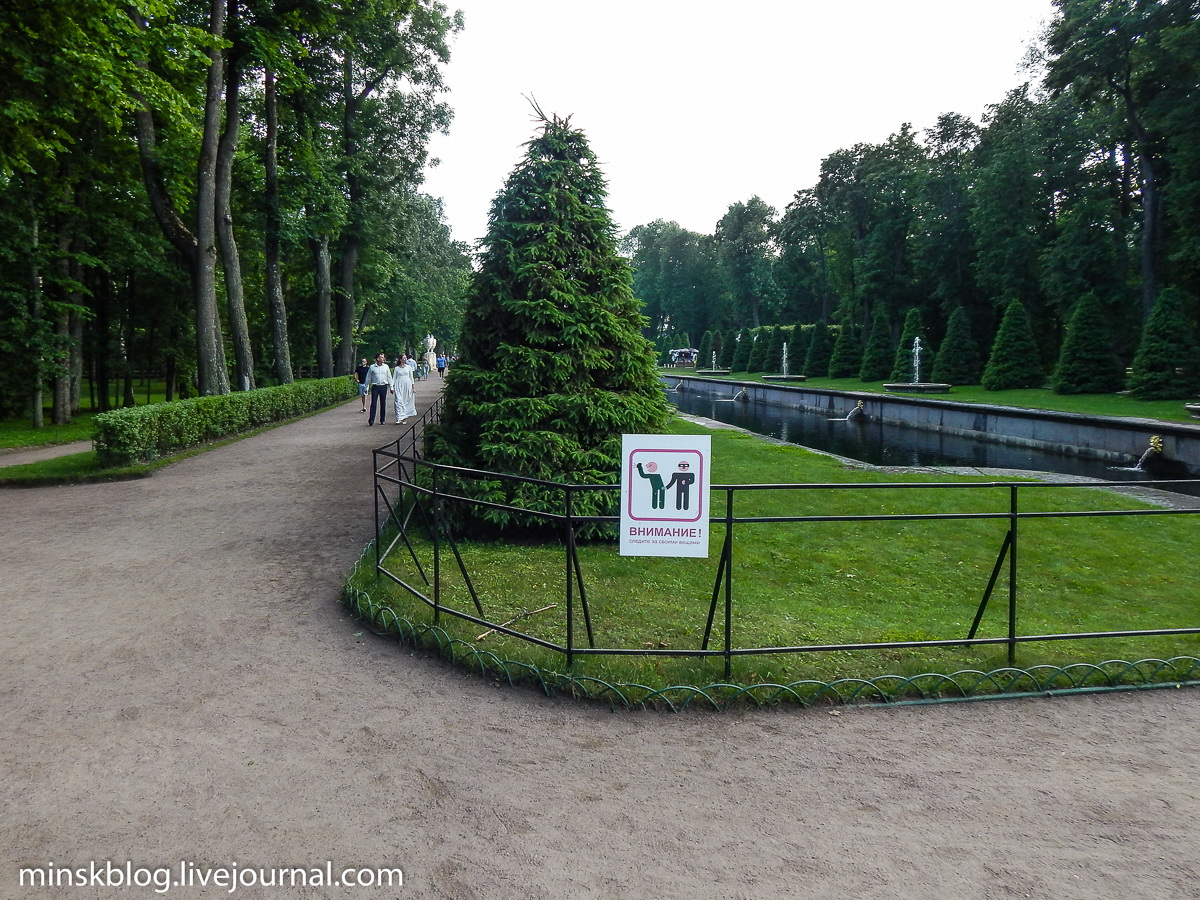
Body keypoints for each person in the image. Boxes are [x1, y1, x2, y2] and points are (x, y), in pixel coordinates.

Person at [364, 352, 392, 425]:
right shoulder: (372, 367)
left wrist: (391, 386)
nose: (383, 358)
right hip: (375, 386)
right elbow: (368, 377)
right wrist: (366, 386)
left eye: (383, 357)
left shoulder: (386, 367)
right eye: (381, 357)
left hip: (383, 386)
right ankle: (371, 419)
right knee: (373, 403)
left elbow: (389, 377)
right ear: (377, 359)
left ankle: (382, 419)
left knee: (383, 403)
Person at [391, 353, 417, 423]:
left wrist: (413, 388)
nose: (405, 359)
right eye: (404, 358)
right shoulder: (396, 368)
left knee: (405, 401)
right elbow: (393, 378)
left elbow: (411, 378)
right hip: (399, 385)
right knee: (398, 401)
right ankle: (399, 417)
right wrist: (392, 387)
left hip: (407, 385)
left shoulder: (409, 367)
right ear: (400, 359)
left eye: (406, 358)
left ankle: (404, 417)